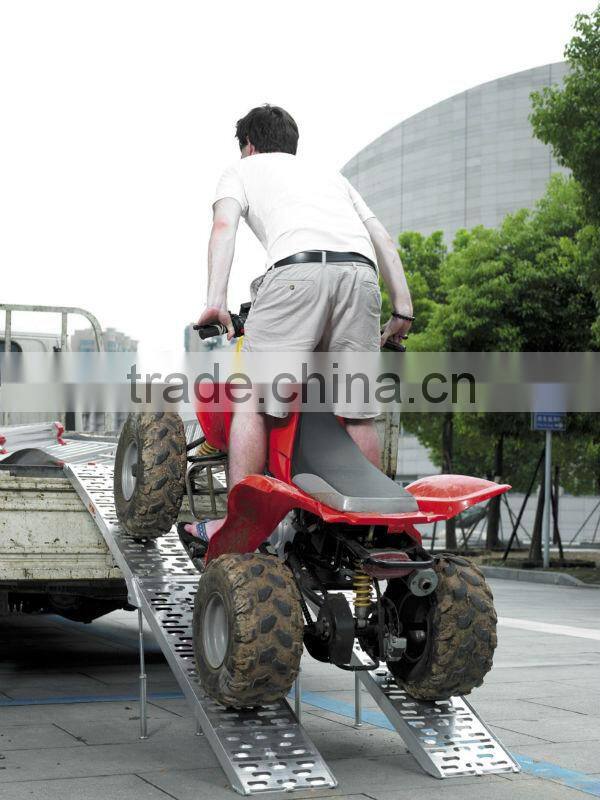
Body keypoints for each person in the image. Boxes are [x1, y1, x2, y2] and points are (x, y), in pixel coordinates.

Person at [182, 104, 413, 552]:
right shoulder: (331, 178)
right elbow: (383, 238)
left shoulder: (241, 171)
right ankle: (365, 526)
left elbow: (224, 224)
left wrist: (215, 303)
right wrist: (402, 309)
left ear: (249, 145)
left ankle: (241, 523)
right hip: (360, 277)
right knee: (357, 412)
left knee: (252, 399)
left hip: (296, 273)